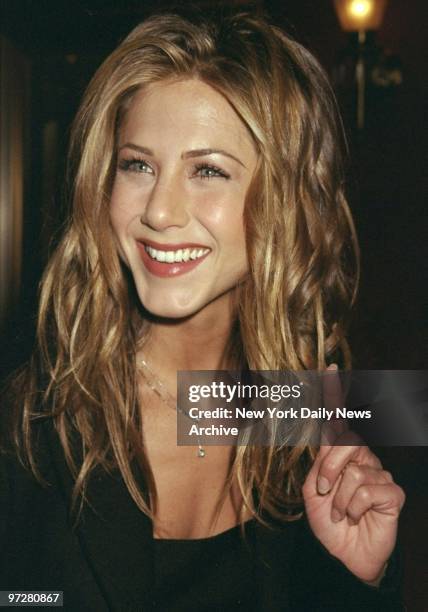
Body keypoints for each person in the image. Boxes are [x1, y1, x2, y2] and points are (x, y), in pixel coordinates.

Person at [0, 8, 405, 611]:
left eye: (208, 170)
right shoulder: (33, 422)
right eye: (137, 165)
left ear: (288, 200)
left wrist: (359, 580)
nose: (160, 212)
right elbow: (23, 596)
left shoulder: (303, 411)